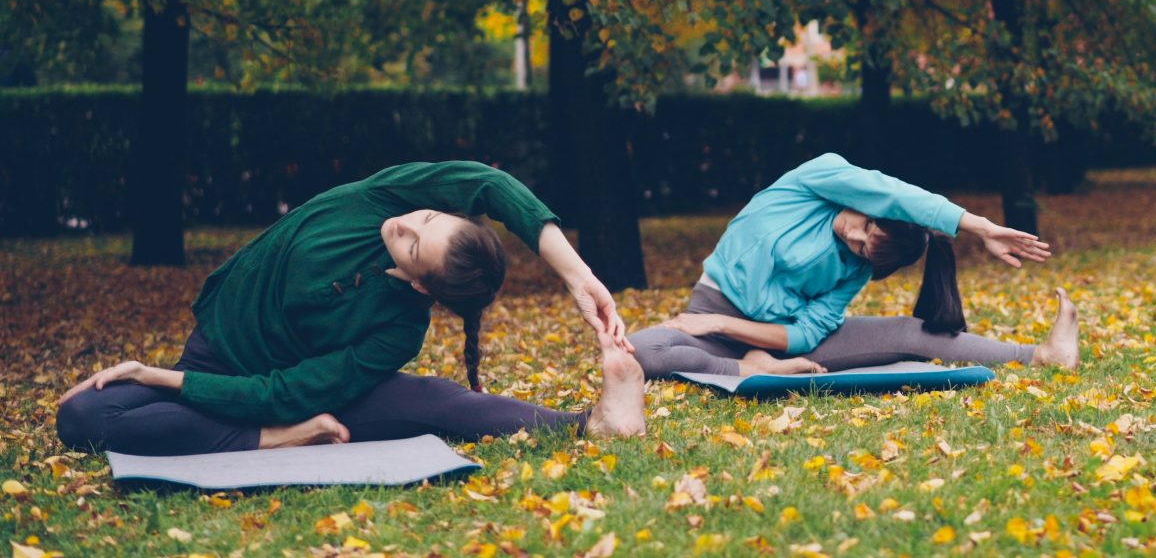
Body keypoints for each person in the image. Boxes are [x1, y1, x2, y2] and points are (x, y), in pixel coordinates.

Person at [56, 162, 648, 455]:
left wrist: (152, 374)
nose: (406, 224)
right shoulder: (382, 199)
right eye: (427, 218)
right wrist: (579, 275)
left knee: (434, 400)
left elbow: (283, 390)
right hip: (216, 357)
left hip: (287, 395)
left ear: (422, 287)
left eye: (415, 244)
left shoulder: (398, 329)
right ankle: (278, 438)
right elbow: (488, 183)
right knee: (83, 416)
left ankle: (588, 425)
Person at [628, 153, 1078, 378]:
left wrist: (728, 329)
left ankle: (1041, 356)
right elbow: (896, 193)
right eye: (865, 227)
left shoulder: (857, 266)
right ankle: (752, 369)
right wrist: (977, 225)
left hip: (772, 341)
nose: (855, 239)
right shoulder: (816, 180)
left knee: (908, 333)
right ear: (868, 205)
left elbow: (806, 334)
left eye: (865, 250)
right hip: (712, 318)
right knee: (642, 350)